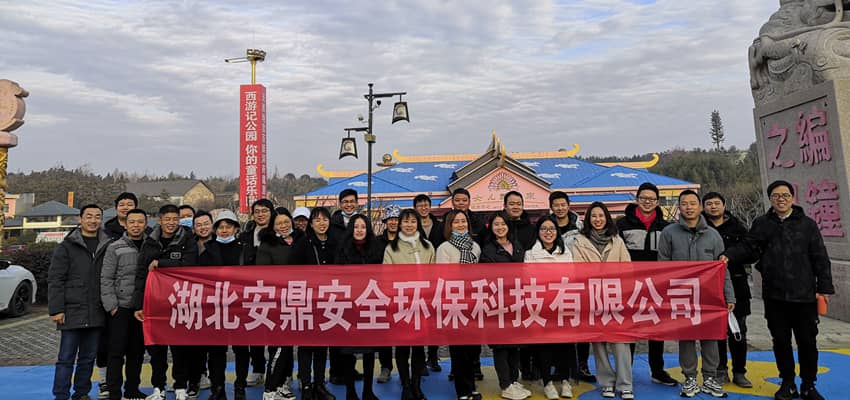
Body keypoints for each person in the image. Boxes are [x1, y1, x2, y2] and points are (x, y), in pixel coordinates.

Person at [723, 180, 833, 400]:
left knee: (807, 342)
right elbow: (749, 246)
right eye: (776, 196)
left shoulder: (807, 224)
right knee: (780, 341)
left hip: (804, 295)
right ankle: (787, 383)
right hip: (774, 295)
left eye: (785, 195)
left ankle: (808, 385)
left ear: (792, 197)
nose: (781, 199)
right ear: (770, 199)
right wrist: (728, 256)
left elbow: (820, 257)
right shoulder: (762, 223)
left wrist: (824, 288)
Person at [658, 190, 734, 398]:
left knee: (710, 337)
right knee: (686, 337)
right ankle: (690, 378)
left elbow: (722, 269)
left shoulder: (713, 235)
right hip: (681, 294)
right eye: (684, 203)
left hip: (709, 295)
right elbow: (662, 267)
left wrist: (729, 296)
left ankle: (710, 378)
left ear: (700, 207)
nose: (689, 207)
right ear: (679, 207)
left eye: (693, 203)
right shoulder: (669, 233)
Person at [132, 204, 199, 400]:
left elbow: (189, 265)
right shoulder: (150, 241)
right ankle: (158, 387)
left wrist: (161, 263)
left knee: (180, 347)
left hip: (180, 301)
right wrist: (139, 305)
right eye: (167, 219)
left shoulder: (187, 239)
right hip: (155, 301)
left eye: (175, 219)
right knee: (157, 349)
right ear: (160, 221)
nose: (171, 223)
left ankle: (180, 386)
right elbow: (141, 273)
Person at [615, 182, 677, 386]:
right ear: (637, 199)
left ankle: (657, 370)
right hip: (630, 286)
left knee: (657, 329)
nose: (647, 202)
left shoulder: (666, 227)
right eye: (643, 198)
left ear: (657, 202)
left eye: (651, 199)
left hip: (657, 286)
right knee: (629, 329)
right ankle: (625, 372)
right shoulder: (622, 225)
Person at [571, 202, 634, 400]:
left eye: (601, 216)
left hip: (616, 297)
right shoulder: (579, 241)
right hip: (593, 297)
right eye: (594, 216)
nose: (598, 220)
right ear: (588, 219)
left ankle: (625, 384)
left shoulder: (617, 240)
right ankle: (606, 382)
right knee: (599, 343)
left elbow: (627, 268)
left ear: (607, 218)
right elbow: (578, 270)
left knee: (621, 342)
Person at [48, 204, 111, 400]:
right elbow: (55, 279)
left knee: (88, 358)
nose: (93, 220)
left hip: (96, 311)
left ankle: (81, 393)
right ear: (80, 219)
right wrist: (56, 309)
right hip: (71, 311)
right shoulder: (66, 246)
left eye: (97, 217)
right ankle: (61, 395)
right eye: (89, 216)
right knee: (66, 358)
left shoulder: (107, 245)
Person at [701, 192, 753, 388]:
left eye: (717, 203)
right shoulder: (699, 228)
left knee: (738, 330)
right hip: (708, 287)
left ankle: (740, 371)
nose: (713, 207)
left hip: (737, 285)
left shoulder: (738, 227)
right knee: (715, 332)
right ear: (703, 207)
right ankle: (719, 369)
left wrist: (730, 255)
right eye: (709, 204)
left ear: (724, 205)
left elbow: (751, 251)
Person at [479, 212, 531, 400]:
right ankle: (505, 384)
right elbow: (486, 278)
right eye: (496, 224)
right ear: (491, 228)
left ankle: (514, 380)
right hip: (498, 304)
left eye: (503, 224)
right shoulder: (488, 250)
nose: (500, 228)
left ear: (508, 226)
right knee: (500, 346)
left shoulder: (517, 246)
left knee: (514, 345)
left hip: (516, 302)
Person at [385, 209, 436, 400]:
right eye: (405, 221)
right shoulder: (391, 248)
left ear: (418, 224)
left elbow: (434, 275)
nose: (409, 225)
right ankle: (405, 385)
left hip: (422, 304)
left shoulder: (428, 246)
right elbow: (386, 279)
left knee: (418, 348)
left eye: (413, 221)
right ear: (400, 224)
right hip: (401, 304)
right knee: (402, 347)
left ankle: (416, 385)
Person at [335, 214, 385, 400]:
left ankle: (368, 391)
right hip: (348, 307)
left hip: (369, 305)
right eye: (356, 226)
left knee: (369, 352)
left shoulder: (376, 248)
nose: (359, 230)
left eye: (363, 226)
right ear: (351, 229)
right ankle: (351, 391)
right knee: (347, 352)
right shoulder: (342, 249)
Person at [289, 207, 338, 400]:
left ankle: (319, 384)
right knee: (305, 345)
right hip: (307, 301)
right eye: (317, 220)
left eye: (325, 219)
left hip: (328, 300)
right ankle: (306, 385)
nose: (321, 223)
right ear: (311, 223)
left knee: (322, 346)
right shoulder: (303, 243)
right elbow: (293, 271)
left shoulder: (335, 242)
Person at [100, 208, 149, 400]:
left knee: (137, 352)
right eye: (132, 222)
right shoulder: (115, 247)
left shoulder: (151, 246)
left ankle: (132, 390)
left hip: (142, 309)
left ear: (146, 224)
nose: (136, 225)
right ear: (126, 225)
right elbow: (106, 278)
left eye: (140, 222)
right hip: (120, 308)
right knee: (116, 352)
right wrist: (112, 306)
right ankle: (114, 392)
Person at [523, 215, 572, 400]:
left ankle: (565, 380)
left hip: (563, 303)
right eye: (544, 229)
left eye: (551, 229)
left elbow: (571, 277)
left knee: (565, 345)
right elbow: (529, 279)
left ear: (557, 231)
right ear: (538, 232)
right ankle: (547, 382)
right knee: (544, 345)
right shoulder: (530, 253)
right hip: (541, 305)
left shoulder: (566, 252)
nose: (548, 232)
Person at [547, 191, 593, 383]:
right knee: (558, 325)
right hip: (554, 283)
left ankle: (582, 365)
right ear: (551, 207)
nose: (560, 208)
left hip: (579, 281)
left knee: (582, 325)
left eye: (562, 204)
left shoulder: (580, 227)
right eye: (556, 205)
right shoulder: (546, 226)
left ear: (568, 205)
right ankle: (560, 366)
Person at [197, 210, 244, 400]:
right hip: (215, 306)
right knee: (216, 351)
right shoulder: (208, 249)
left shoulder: (244, 249)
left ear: (236, 229)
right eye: (221, 227)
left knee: (242, 349)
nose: (224, 230)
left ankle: (240, 386)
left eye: (228, 227)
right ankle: (218, 388)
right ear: (215, 230)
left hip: (240, 305)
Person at [436, 210, 482, 400]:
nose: (461, 225)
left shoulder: (475, 247)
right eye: (456, 222)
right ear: (450, 225)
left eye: (464, 221)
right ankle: (462, 391)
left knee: (473, 349)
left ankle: (471, 386)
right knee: (459, 350)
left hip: (474, 302)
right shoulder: (444, 248)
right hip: (454, 303)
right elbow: (442, 277)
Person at [259, 209, 301, 400]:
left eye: (286, 222)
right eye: (279, 223)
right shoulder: (267, 244)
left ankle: (283, 383)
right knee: (279, 347)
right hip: (277, 302)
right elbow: (263, 274)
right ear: (272, 226)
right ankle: (270, 389)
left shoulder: (300, 240)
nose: (283, 226)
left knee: (289, 346)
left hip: (297, 300)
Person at [238, 199, 275, 389]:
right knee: (255, 330)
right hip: (251, 290)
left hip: (275, 290)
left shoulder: (279, 233)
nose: (261, 214)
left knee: (277, 332)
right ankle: (258, 368)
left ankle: (278, 371)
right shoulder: (245, 236)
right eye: (257, 211)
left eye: (265, 211)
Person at [412, 194, 444, 374]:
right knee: (418, 320)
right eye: (420, 205)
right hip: (417, 279)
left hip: (436, 278)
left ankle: (433, 356)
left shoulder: (439, 225)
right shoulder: (411, 227)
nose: (423, 208)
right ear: (415, 208)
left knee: (434, 320)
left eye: (426, 205)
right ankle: (419, 361)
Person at [375, 205, 400, 384]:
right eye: (390, 219)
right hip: (383, 291)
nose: (393, 222)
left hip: (403, 292)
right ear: (385, 222)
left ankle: (407, 365)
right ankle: (385, 366)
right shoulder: (377, 242)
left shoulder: (407, 241)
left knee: (404, 329)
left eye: (396, 219)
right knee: (384, 332)